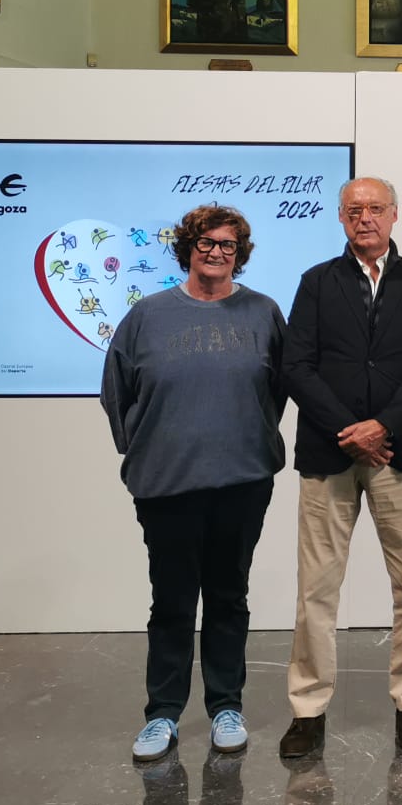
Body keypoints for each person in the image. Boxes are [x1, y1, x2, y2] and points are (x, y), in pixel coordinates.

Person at [101, 204, 286, 762]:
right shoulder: (147, 315)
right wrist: (146, 448)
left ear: (240, 254)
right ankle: (162, 714)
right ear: (187, 249)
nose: (215, 253)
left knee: (229, 596)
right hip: (166, 483)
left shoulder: (264, 313)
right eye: (205, 243)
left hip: (242, 479)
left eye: (227, 245)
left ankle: (227, 706)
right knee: (173, 601)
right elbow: (116, 392)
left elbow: (278, 390)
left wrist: (247, 436)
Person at [278, 177, 402, 759]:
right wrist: (350, 431)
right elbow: (297, 366)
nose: (365, 218)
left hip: (400, 454)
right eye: (355, 210)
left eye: (376, 208)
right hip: (329, 453)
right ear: (341, 218)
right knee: (316, 588)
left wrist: (383, 426)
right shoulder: (316, 282)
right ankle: (308, 709)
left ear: (395, 215)